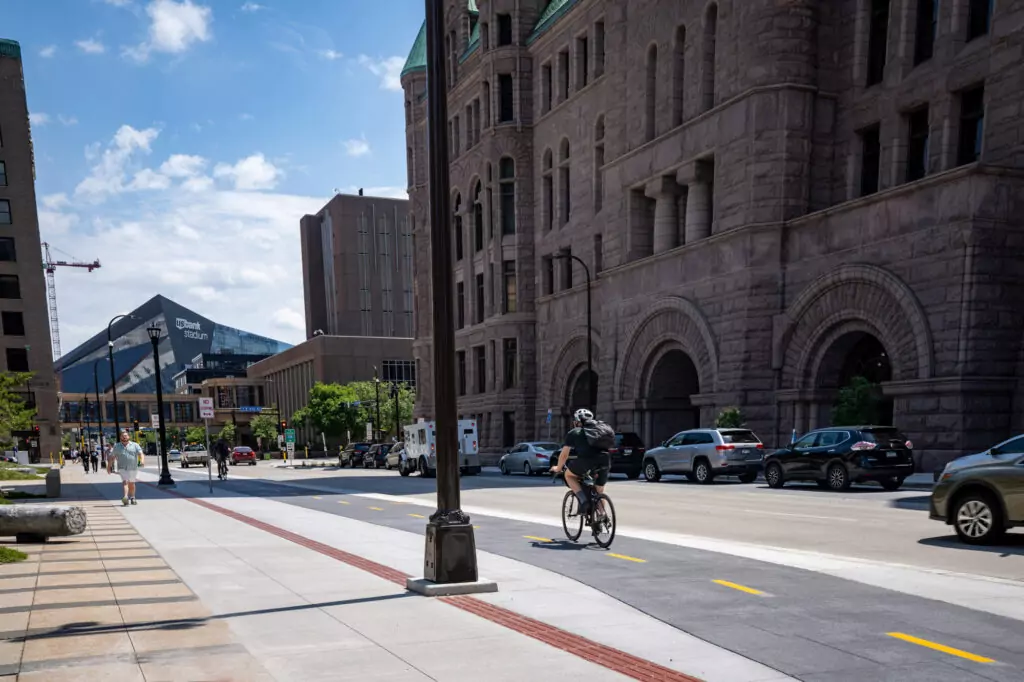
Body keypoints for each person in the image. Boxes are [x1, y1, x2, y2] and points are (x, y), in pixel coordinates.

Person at [550, 408, 612, 516]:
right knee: (599, 491)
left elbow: (564, 455)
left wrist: (558, 468)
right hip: (605, 461)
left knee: (568, 475)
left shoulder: (575, 432)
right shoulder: (599, 430)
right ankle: (602, 516)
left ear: (577, 421)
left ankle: (584, 501)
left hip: (586, 461)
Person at [109, 430, 143, 506]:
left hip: (133, 467)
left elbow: (141, 453)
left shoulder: (135, 445)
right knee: (125, 482)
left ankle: (133, 497)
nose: (124, 437)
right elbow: (112, 457)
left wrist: (142, 461)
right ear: (120, 437)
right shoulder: (117, 446)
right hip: (122, 467)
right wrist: (109, 467)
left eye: (126, 436)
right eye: (123, 436)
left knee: (132, 483)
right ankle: (125, 497)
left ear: (129, 437)